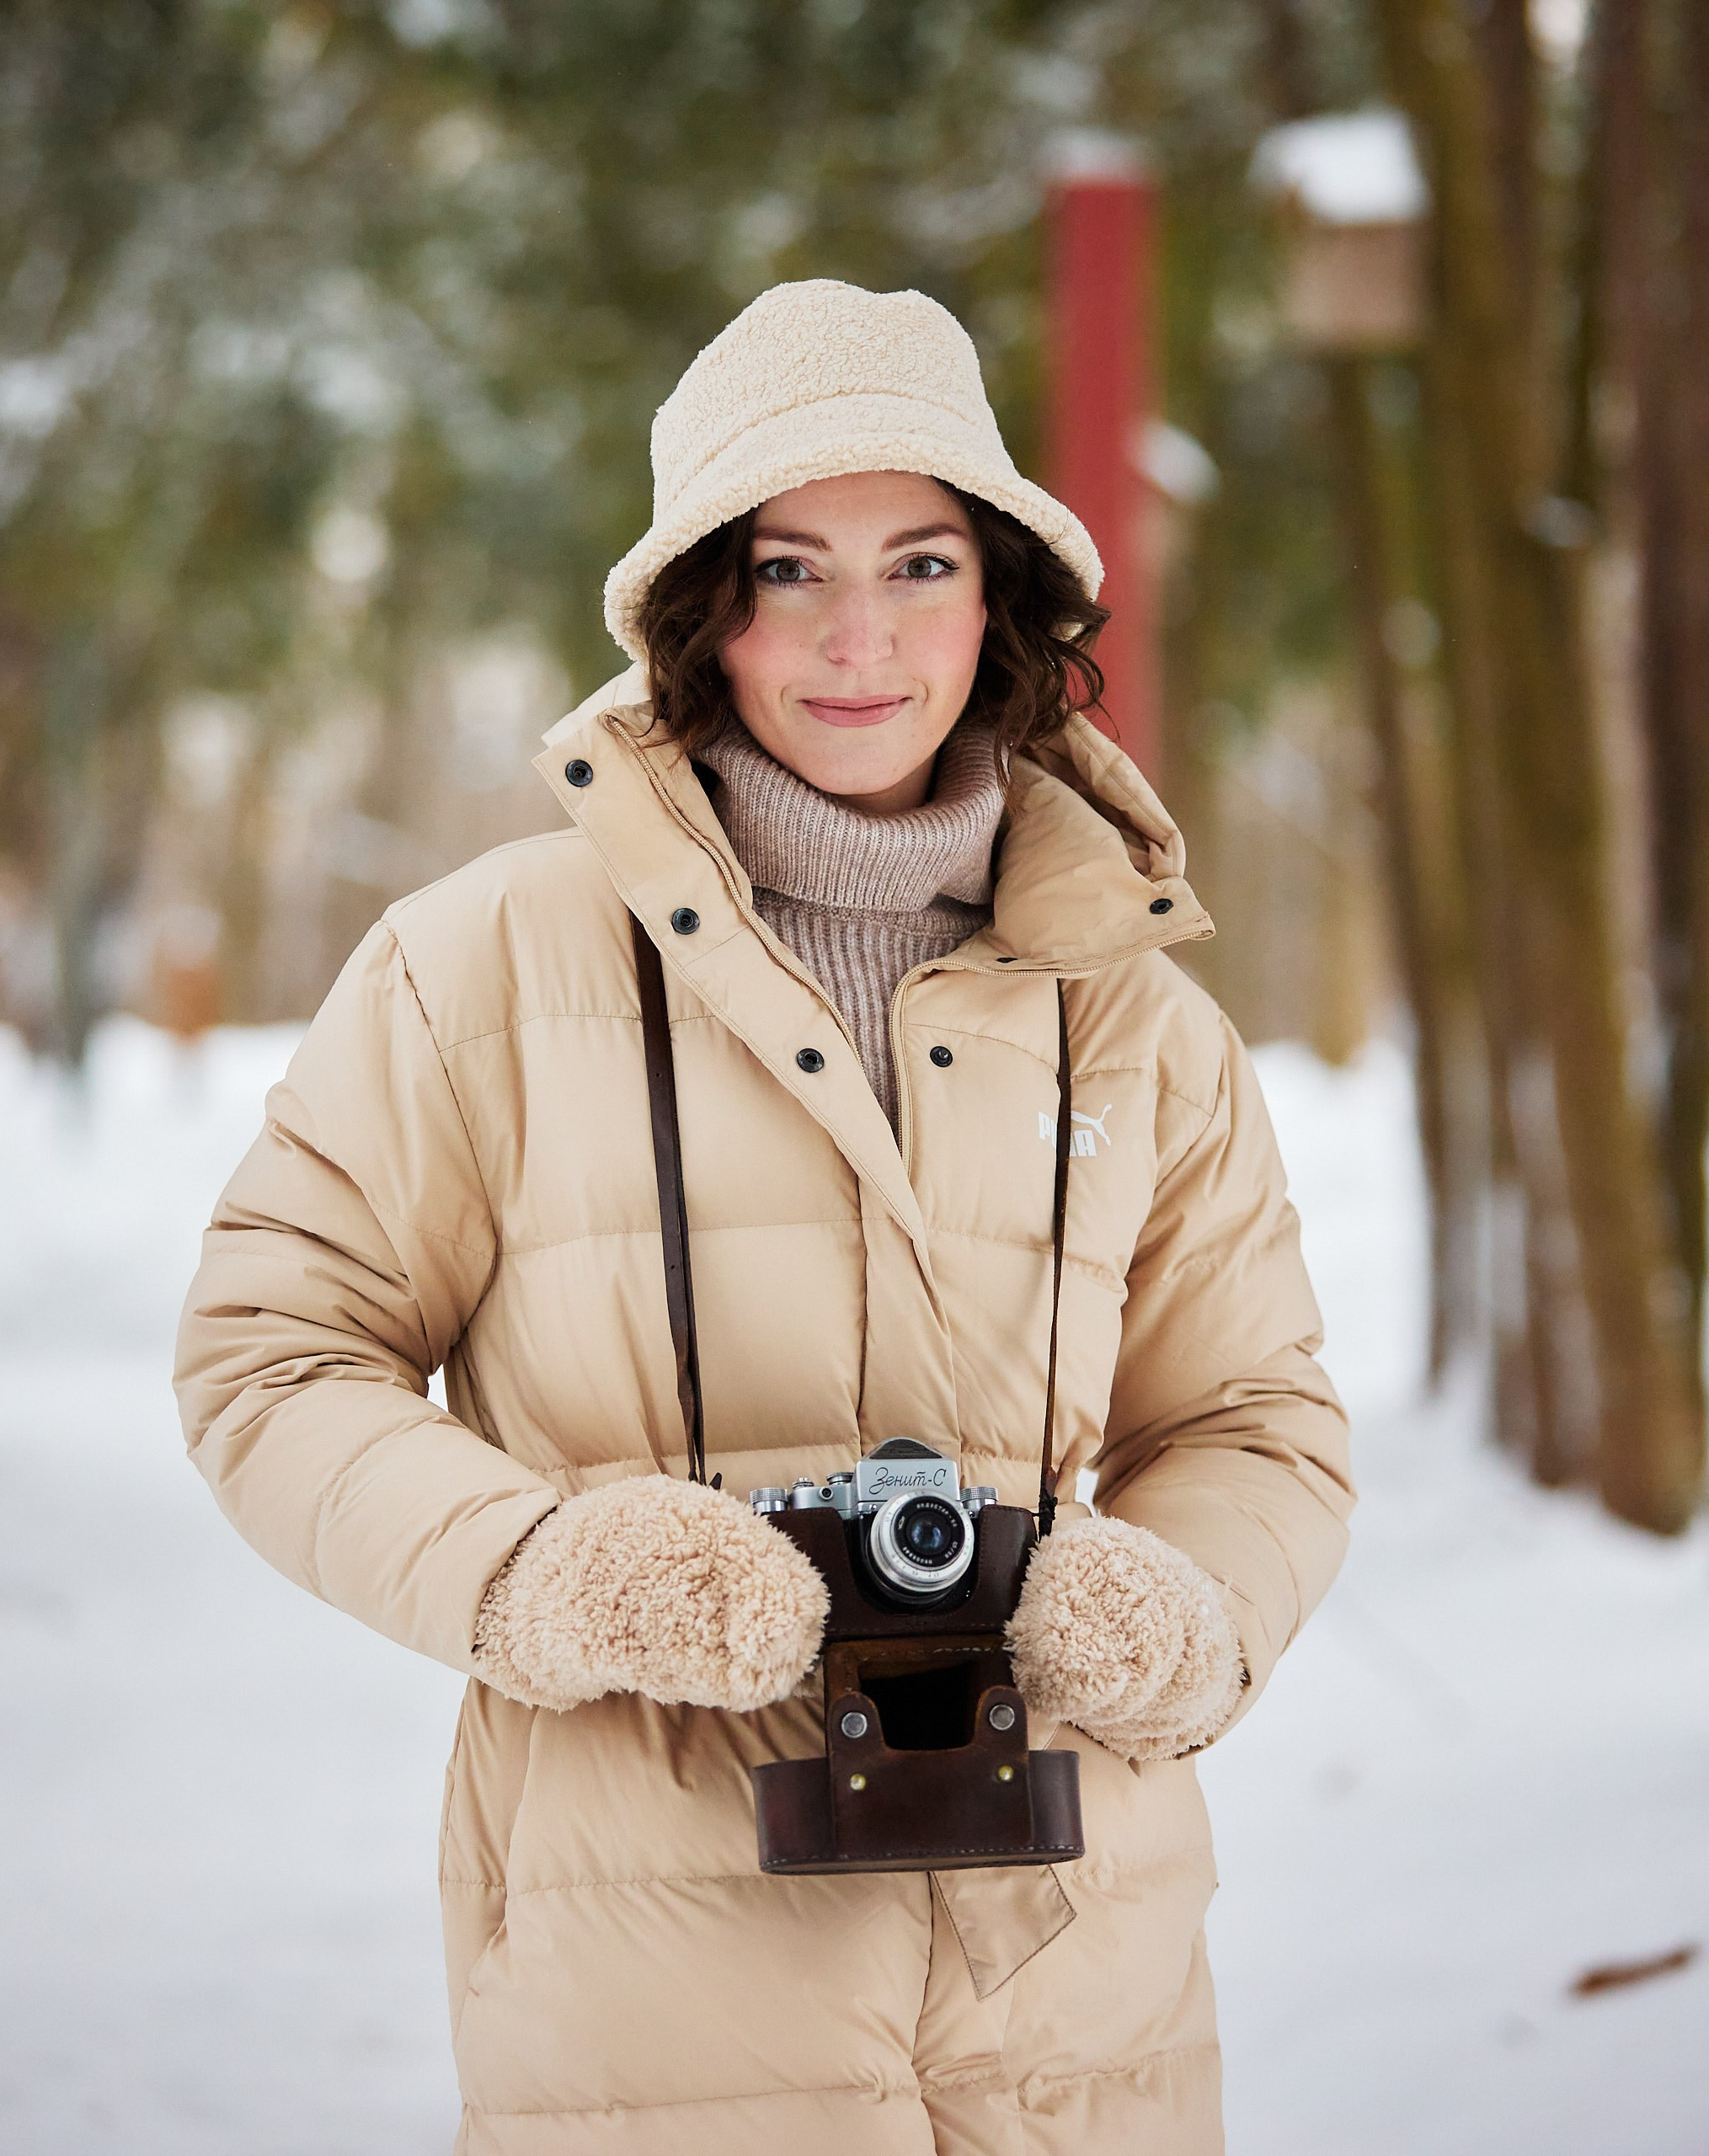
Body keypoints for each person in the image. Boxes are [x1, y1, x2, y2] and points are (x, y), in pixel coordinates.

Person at [175, 280, 1353, 2156]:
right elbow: (270, 1356)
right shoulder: (475, 966)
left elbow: (1253, 1418)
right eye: (790, 570)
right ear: (701, 611)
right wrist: (541, 1570)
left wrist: (1187, 1609)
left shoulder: (1139, 1016)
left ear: (1000, 604)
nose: (858, 638)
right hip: (649, 1986)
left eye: (921, 564)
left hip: (1079, 2001)